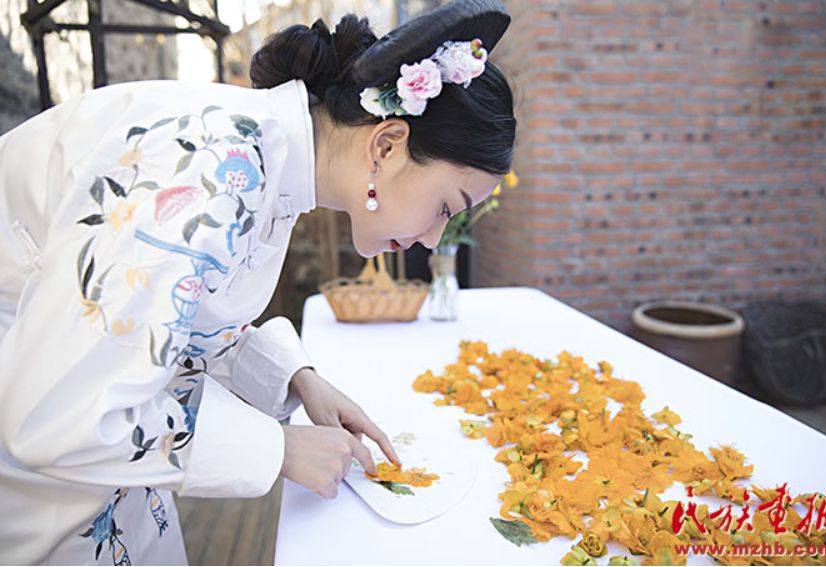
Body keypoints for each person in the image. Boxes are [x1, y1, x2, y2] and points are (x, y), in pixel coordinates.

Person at [0, 0, 516, 563]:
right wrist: (278, 448)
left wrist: (298, 379)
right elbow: (62, 415)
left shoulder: (265, 155)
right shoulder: (205, 168)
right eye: (445, 208)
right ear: (386, 143)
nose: (434, 240)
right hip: (36, 457)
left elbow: (172, 316)